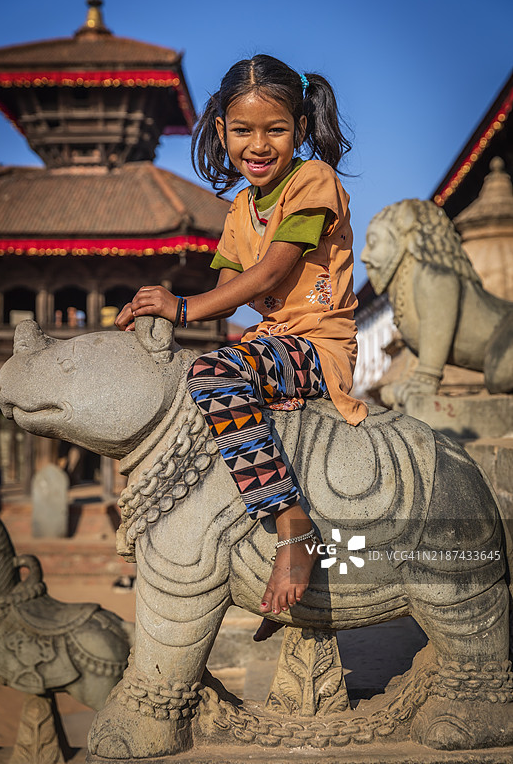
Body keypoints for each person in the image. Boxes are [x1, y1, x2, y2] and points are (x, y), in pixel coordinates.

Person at [115, 54, 368, 641]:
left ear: (301, 130)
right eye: (243, 130)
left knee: (212, 373)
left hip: (315, 345)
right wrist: (161, 310)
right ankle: (246, 557)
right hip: (268, 342)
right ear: (221, 130)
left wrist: (182, 309)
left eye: (275, 129)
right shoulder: (238, 209)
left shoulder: (313, 182)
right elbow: (227, 295)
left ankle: (294, 525)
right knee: (185, 388)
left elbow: (273, 273)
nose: (258, 145)